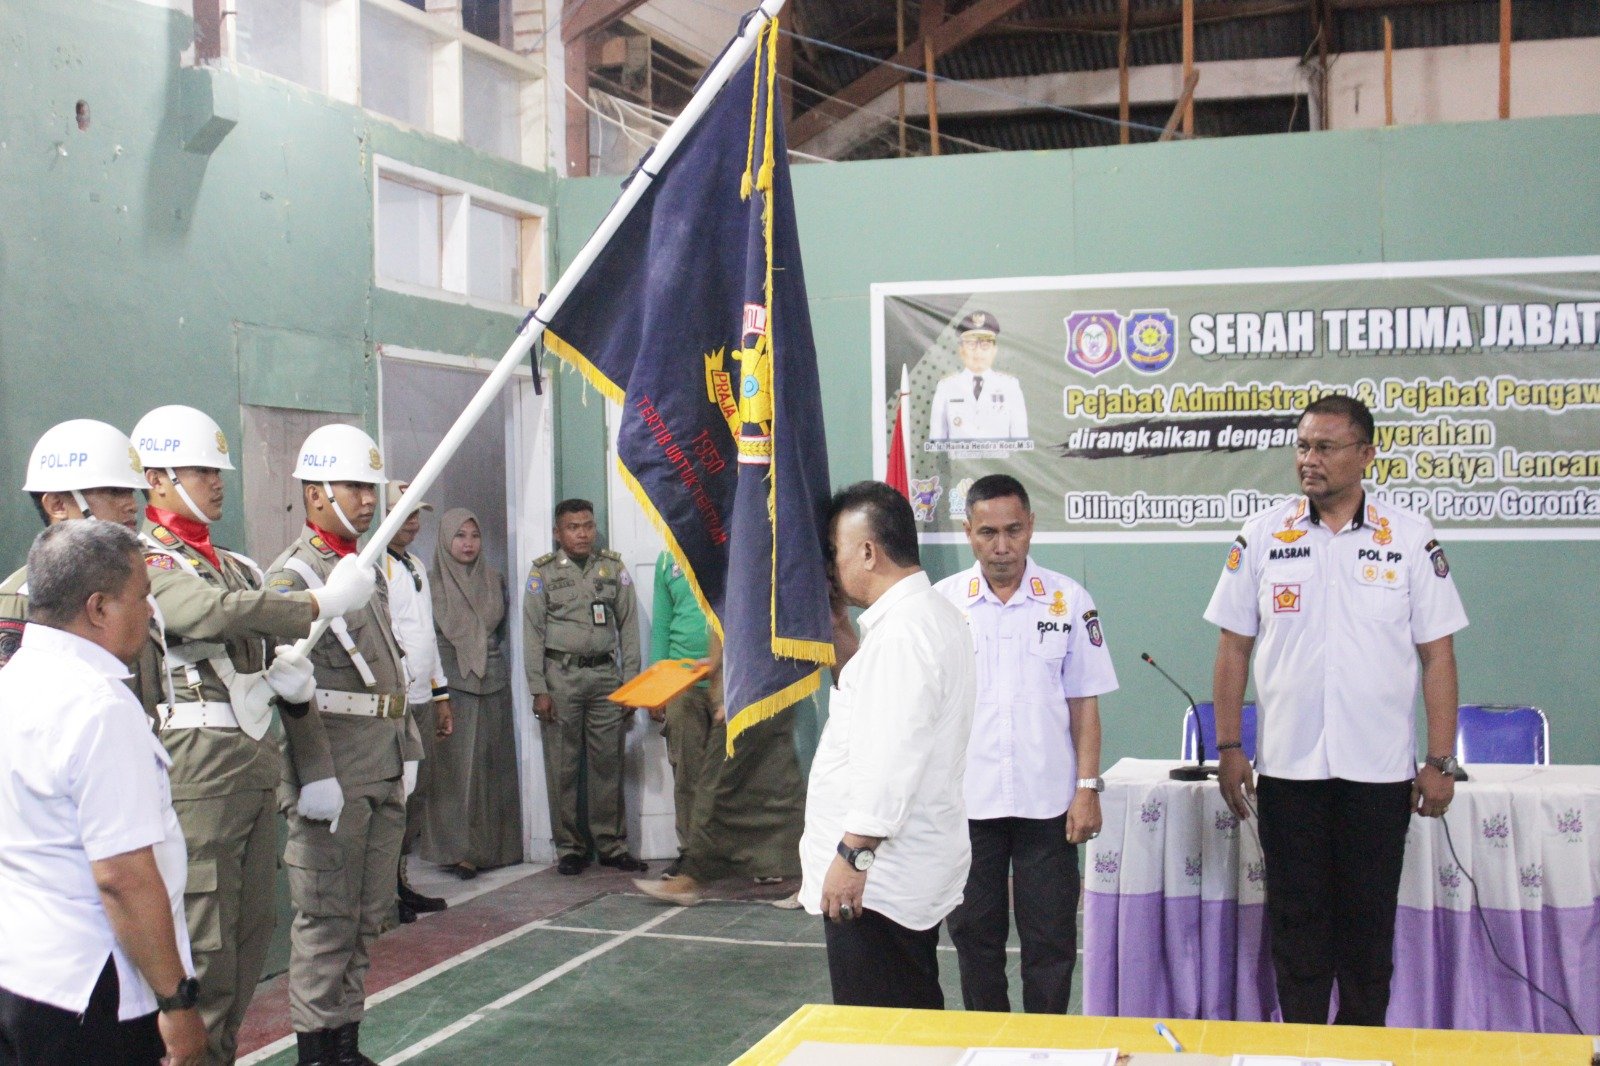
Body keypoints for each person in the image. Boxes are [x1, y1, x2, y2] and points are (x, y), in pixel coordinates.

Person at [1204, 394, 1468, 1028]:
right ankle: (1301, 1046)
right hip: (1290, 772)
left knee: (1367, 931)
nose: (1309, 460)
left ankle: (1361, 1047)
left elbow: (1438, 657)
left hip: (1377, 776)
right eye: (1302, 446)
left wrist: (1439, 760)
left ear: (1366, 455)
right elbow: (1233, 648)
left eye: (1325, 447)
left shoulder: (1407, 536)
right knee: (1297, 928)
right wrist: (1231, 746)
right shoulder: (1264, 533)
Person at [132, 404, 372, 1066]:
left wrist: (287, 690)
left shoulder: (236, 565)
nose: (217, 482)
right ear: (156, 479)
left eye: (219, 470)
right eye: (202, 471)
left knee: (245, 946)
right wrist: (318, 604)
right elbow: (204, 615)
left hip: (251, 770)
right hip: (199, 776)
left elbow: (254, 638)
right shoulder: (144, 558)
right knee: (204, 954)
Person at [0, 521, 206, 1066]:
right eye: (142, 596)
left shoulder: (14, 680)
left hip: (20, 973)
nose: (151, 612)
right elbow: (122, 878)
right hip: (90, 992)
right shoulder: (99, 707)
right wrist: (176, 1001)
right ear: (98, 608)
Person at [933, 473, 1117, 1014]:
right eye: (988, 532)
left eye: (1014, 530)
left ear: (1032, 527)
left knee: (1052, 946)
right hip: (968, 807)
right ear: (968, 532)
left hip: (1049, 808)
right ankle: (992, 1047)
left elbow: (1085, 704)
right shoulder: (943, 605)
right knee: (976, 943)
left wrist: (1088, 788)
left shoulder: (1067, 600)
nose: (1003, 546)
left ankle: (1049, 1051)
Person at [265, 424, 419, 1066]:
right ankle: (315, 1054)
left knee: (364, 921)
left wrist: (404, 749)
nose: (367, 500)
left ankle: (345, 1047)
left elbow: (388, 666)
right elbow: (289, 685)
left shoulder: (362, 568)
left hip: (379, 765)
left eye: (370, 488)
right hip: (333, 772)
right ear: (316, 492)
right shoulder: (292, 578)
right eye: (355, 486)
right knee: (325, 924)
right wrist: (314, 773)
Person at [799, 481, 976, 1009]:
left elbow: (891, 758)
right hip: (900, 871)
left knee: (883, 1031)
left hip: (880, 882)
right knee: (908, 1012)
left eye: (835, 550)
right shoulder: (925, 617)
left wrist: (853, 856)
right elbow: (880, 712)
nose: (830, 567)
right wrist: (838, 630)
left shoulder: (903, 636)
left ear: (869, 551)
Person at [633, 627, 807, 906]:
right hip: (743, 689)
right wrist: (716, 665)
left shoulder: (752, 582)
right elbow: (730, 629)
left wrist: (741, 690)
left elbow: (757, 629)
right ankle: (813, 878)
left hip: (752, 692)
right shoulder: (736, 584)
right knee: (771, 784)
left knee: (727, 786)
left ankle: (691, 878)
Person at [521, 499, 645, 875]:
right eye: (573, 527)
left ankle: (611, 844)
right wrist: (537, 687)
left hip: (607, 678)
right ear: (558, 533)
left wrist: (632, 684)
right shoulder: (542, 573)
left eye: (588, 526)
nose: (582, 533)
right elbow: (532, 632)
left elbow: (629, 627)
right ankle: (570, 848)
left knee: (608, 762)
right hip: (561, 677)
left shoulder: (612, 568)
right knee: (563, 765)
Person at [1, 419, 147, 669]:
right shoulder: (20, 598)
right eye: (113, 491)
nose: (131, 504)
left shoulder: (134, 587)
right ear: (57, 505)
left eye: (130, 492)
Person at [426, 507, 523, 878]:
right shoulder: (431, 583)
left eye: (474, 535)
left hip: (493, 681)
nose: (468, 543)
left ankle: (495, 849)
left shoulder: (494, 578)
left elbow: (499, 634)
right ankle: (458, 851)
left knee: (491, 769)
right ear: (445, 539)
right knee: (454, 772)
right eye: (459, 535)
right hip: (452, 685)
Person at [381, 481, 453, 923]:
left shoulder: (415, 566)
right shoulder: (375, 568)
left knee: (416, 795)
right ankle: (385, 890)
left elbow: (426, 634)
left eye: (416, 514)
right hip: (397, 698)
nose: (413, 523)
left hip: (423, 695)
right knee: (396, 794)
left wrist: (440, 692)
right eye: (404, 514)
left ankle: (401, 881)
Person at [645, 548, 710, 876]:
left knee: (743, 771)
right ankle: (692, 855)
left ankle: (753, 857)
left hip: (732, 677)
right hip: (682, 682)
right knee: (687, 773)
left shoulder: (733, 543)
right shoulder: (667, 559)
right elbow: (662, 624)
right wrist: (658, 688)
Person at [927, 311, 1029, 441]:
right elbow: (937, 438)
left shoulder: (1010, 385)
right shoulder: (946, 386)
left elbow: (1020, 438)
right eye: (971, 344)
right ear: (961, 350)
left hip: (1000, 460)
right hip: (959, 460)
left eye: (985, 345)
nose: (978, 351)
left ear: (994, 350)